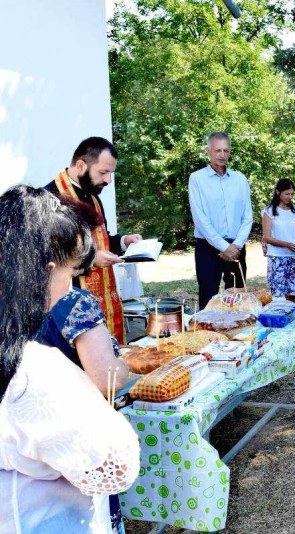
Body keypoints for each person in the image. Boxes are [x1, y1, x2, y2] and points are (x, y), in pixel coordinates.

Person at [0, 186, 139, 533]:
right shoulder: (36, 370)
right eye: (70, 272)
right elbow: (115, 466)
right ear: (45, 271)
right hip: (47, 518)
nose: (69, 286)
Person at [45, 136, 142, 344]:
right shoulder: (50, 198)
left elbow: (101, 241)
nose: (108, 180)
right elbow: (49, 254)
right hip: (67, 304)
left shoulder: (93, 196)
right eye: (103, 172)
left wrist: (124, 241)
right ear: (81, 165)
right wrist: (90, 259)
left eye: (110, 173)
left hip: (99, 300)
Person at [189, 132, 254, 310]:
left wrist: (236, 245)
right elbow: (200, 218)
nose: (222, 155)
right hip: (208, 248)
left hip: (237, 246)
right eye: (217, 150)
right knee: (209, 298)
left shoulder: (240, 179)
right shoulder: (197, 179)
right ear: (208, 151)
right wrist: (223, 247)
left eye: (226, 150)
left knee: (237, 298)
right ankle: (207, 336)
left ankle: (238, 335)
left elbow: (248, 216)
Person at [261, 178, 295, 297]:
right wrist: (286, 244)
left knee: (294, 295)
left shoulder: (294, 210)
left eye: (292, 194)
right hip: (277, 258)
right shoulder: (268, 211)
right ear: (277, 192)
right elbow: (267, 237)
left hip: (294, 258)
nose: (290, 197)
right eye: (287, 194)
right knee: (278, 294)